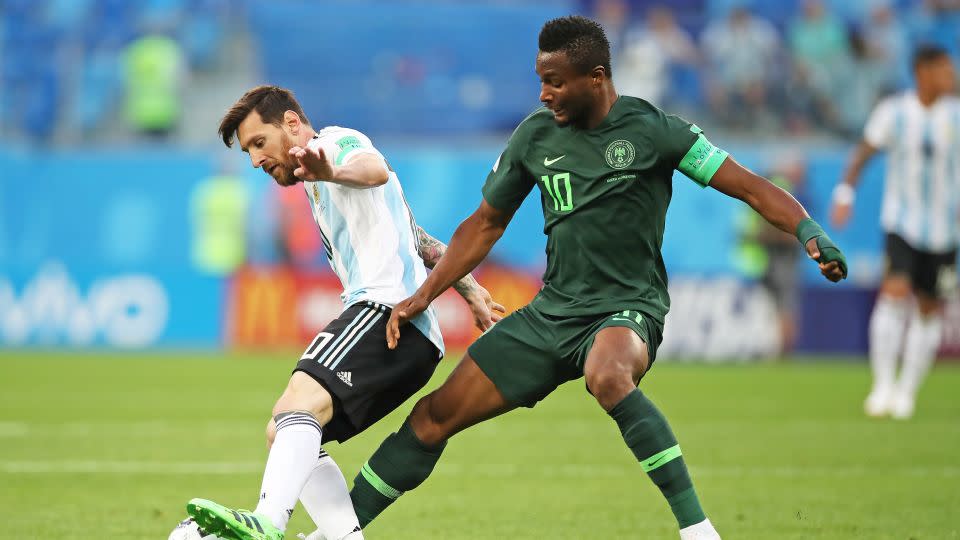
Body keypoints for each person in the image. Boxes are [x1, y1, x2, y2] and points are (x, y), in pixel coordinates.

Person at [348, 16, 847, 540]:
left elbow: (747, 186)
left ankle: (698, 531)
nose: (544, 94)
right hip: (551, 315)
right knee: (433, 416)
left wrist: (808, 229)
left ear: (597, 77)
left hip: (627, 307)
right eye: (540, 80)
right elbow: (484, 225)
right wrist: (423, 295)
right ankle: (338, 531)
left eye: (556, 82)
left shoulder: (655, 130)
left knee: (608, 376)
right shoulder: (534, 138)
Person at [185, 85, 505, 540]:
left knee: (296, 406)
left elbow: (371, 170)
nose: (256, 160)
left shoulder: (332, 143)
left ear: (292, 123)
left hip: (384, 313)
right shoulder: (318, 181)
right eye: (248, 152)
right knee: (285, 428)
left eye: (259, 143)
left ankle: (268, 520)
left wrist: (332, 168)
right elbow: (413, 235)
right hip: (409, 335)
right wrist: (470, 289)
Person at [831, 45, 960, 420]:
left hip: (946, 230)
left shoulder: (955, 114)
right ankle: (883, 385)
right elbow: (864, 153)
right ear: (922, 71)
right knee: (894, 293)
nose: (950, 76)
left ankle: (907, 391)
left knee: (929, 307)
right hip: (902, 222)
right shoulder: (895, 112)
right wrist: (845, 192)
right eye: (943, 69)